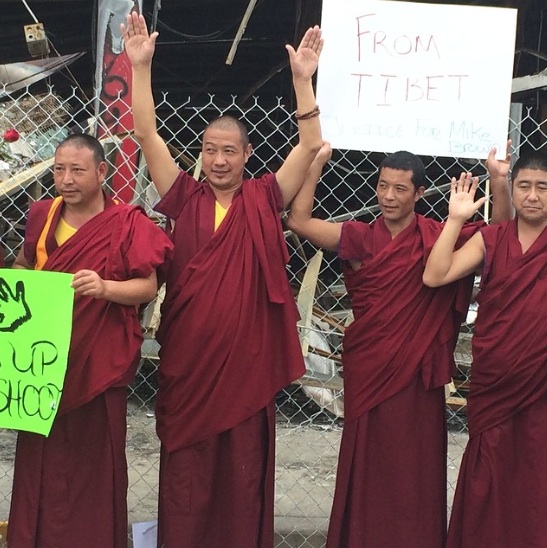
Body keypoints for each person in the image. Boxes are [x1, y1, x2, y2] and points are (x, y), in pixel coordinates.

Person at [122, 11, 323, 548]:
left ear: (246, 156)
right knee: (187, 476)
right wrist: (140, 67)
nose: (217, 160)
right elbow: (146, 132)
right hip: (189, 367)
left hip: (246, 369)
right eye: (209, 150)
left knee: (242, 473)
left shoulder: (264, 199)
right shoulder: (184, 197)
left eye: (228, 151)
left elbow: (307, 148)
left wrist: (303, 80)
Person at [286, 141, 513, 547]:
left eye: (400, 189)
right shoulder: (359, 237)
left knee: (414, 467)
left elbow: (498, 238)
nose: (388, 197)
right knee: (369, 464)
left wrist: (498, 181)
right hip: (372, 372)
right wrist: (316, 162)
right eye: (382, 186)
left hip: (416, 378)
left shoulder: (438, 236)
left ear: (420, 194)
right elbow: (299, 220)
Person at [7, 133, 173, 548]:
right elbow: (23, 267)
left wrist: (104, 288)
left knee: (95, 465)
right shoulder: (43, 215)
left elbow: (147, 287)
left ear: (101, 172)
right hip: (41, 367)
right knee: (39, 462)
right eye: (59, 169)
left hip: (96, 363)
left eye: (77, 170)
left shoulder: (126, 222)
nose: (66, 179)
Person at [422, 151, 547, 548]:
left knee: (536, 473)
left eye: (543, 188)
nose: (533, 196)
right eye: (524, 186)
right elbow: (435, 274)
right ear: (512, 189)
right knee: (489, 472)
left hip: (541, 385)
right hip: (495, 381)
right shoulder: (492, 239)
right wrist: (456, 219)